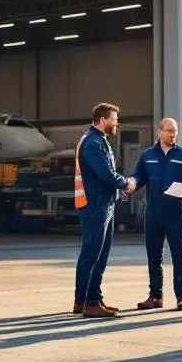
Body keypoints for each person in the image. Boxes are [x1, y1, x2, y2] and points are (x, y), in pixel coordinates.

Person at [72, 102, 136, 318]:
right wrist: (126, 183)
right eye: (114, 119)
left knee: (100, 254)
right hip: (95, 205)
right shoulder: (92, 143)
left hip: (103, 204)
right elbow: (105, 174)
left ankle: (90, 298)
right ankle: (88, 302)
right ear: (102, 120)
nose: (116, 122)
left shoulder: (100, 141)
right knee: (91, 254)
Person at [131, 118, 182, 311]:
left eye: (175, 131)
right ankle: (155, 296)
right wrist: (131, 183)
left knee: (179, 256)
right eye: (169, 131)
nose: (172, 134)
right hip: (153, 212)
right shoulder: (147, 156)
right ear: (159, 132)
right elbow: (139, 176)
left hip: (176, 212)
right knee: (154, 256)